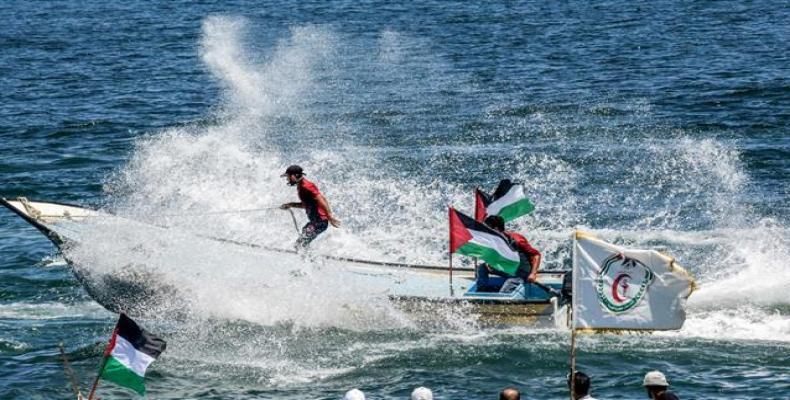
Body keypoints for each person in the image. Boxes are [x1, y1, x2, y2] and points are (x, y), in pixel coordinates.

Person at [279, 165, 341, 248]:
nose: (287, 179)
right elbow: (306, 205)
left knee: (299, 244)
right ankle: (309, 257)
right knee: (303, 235)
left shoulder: (306, 186)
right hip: (315, 222)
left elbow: (321, 200)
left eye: (288, 177)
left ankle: (311, 259)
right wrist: (290, 205)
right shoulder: (301, 186)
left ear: (293, 176)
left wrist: (330, 217)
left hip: (320, 222)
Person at [476, 215, 541, 291]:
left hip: (520, 273)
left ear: (496, 229)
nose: (485, 231)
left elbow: (536, 255)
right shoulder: (493, 240)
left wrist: (533, 274)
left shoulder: (517, 239)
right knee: (482, 267)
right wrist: (490, 262)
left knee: (504, 292)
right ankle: (482, 290)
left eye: (487, 229)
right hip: (507, 269)